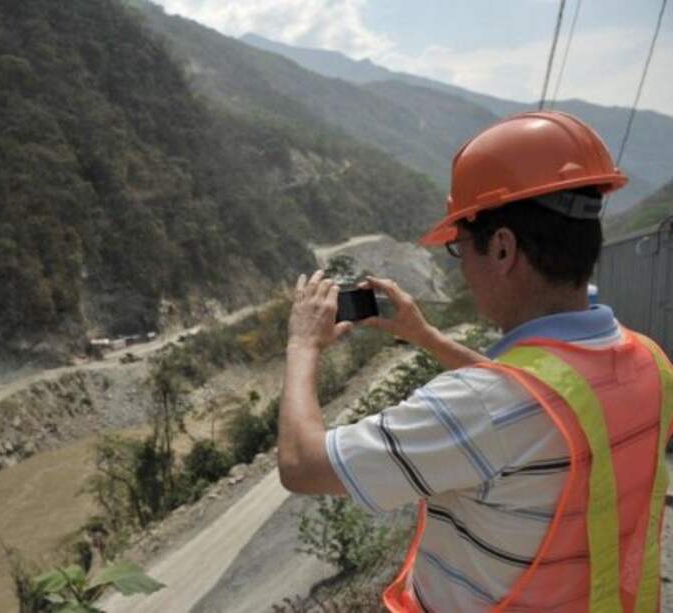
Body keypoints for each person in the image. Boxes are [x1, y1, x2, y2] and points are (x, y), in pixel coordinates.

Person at [278, 111, 673, 612]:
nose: (461, 268)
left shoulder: (483, 409)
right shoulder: (648, 363)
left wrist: (302, 345)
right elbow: (542, 394)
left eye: (459, 249)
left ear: (503, 248)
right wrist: (425, 336)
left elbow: (301, 464)